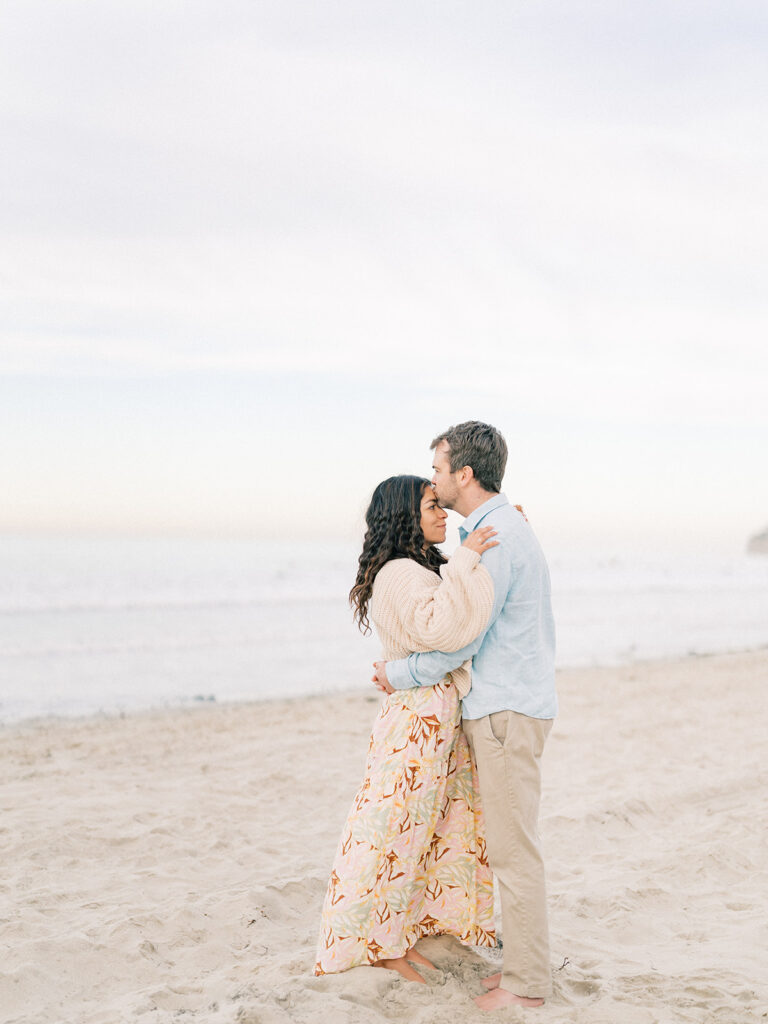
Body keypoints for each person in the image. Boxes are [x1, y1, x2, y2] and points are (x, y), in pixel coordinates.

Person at [373, 422, 557, 1010]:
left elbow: (457, 638)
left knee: (512, 850)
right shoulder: (498, 528)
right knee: (508, 843)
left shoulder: (498, 536)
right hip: (509, 707)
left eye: (438, 470)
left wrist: (395, 674)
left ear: (464, 474)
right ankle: (520, 975)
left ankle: (526, 987)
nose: (434, 481)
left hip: (505, 712)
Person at [314, 474, 500, 983]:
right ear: (405, 517)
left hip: (426, 716)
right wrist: (466, 561)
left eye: (440, 505)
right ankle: (378, 946)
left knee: (417, 832)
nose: (443, 514)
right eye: (431, 507)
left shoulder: (411, 569)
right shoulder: (400, 572)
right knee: (392, 834)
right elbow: (441, 631)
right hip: (414, 719)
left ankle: (398, 935)